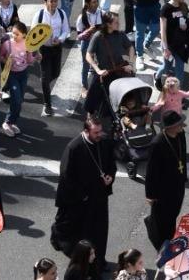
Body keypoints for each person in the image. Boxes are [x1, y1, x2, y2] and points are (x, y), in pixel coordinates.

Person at [54, 115, 116, 269]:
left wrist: (110, 177)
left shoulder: (104, 142)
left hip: (100, 196)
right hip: (82, 200)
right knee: (85, 234)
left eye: (100, 131)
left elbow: (111, 165)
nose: (99, 135)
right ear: (85, 131)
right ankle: (86, 264)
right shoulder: (74, 148)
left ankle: (99, 260)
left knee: (101, 230)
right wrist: (82, 196)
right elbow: (66, 177)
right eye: (96, 132)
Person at [143, 109, 189, 248]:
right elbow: (151, 171)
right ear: (170, 127)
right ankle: (163, 244)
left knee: (174, 212)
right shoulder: (157, 144)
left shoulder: (181, 135)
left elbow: (183, 157)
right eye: (179, 124)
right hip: (163, 188)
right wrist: (150, 194)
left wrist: (183, 176)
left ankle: (165, 234)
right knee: (164, 218)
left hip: (178, 184)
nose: (182, 126)